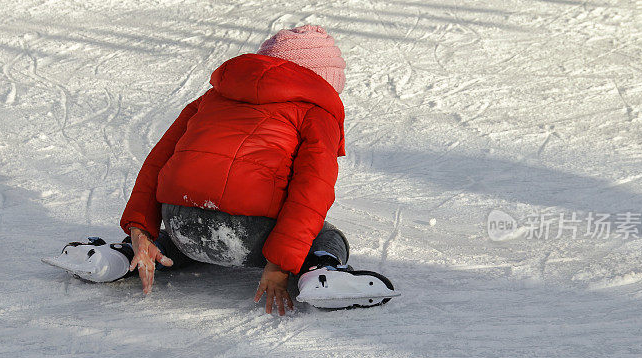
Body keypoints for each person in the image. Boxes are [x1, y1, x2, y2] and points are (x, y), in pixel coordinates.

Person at [43, 25, 397, 315]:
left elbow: (157, 162)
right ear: (325, 81)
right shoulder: (316, 113)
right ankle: (322, 272)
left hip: (180, 224)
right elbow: (312, 190)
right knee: (326, 234)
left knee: (188, 236)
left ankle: (120, 256)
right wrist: (278, 267)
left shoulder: (210, 98)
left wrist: (140, 232)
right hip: (251, 236)